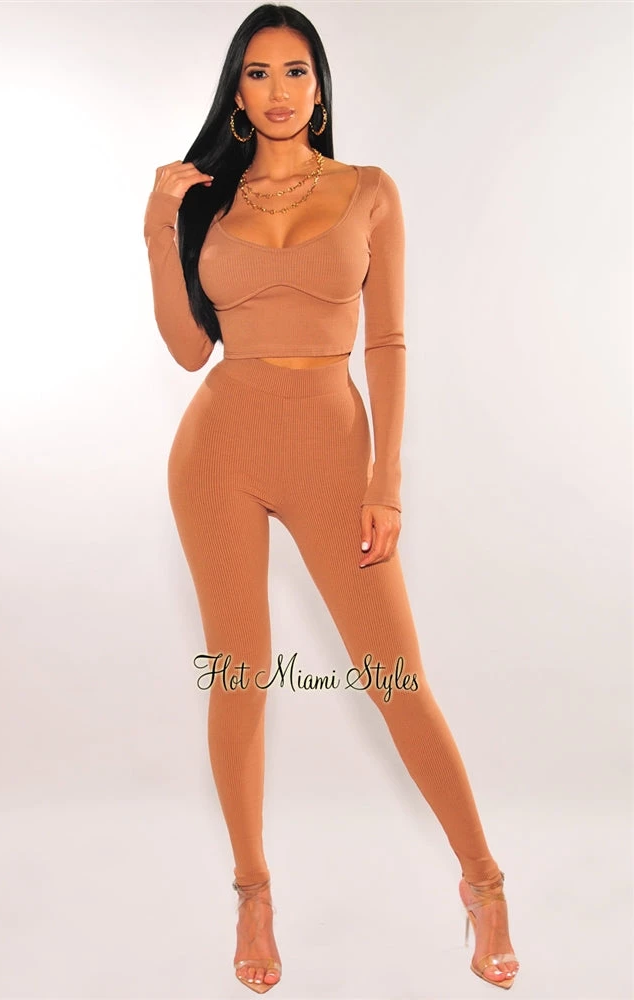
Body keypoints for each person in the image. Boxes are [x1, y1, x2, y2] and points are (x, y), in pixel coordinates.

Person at [143, 3, 519, 995]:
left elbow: (386, 342)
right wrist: (155, 226)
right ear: (236, 93)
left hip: (332, 453)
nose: (279, 90)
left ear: (319, 87)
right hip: (218, 450)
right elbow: (188, 350)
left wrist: (385, 481)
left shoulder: (368, 191)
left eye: (296, 70)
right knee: (238, 675)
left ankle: (483, 881)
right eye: (258, 73)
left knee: (396, 678)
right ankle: (252, 891)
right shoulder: (207, 204)